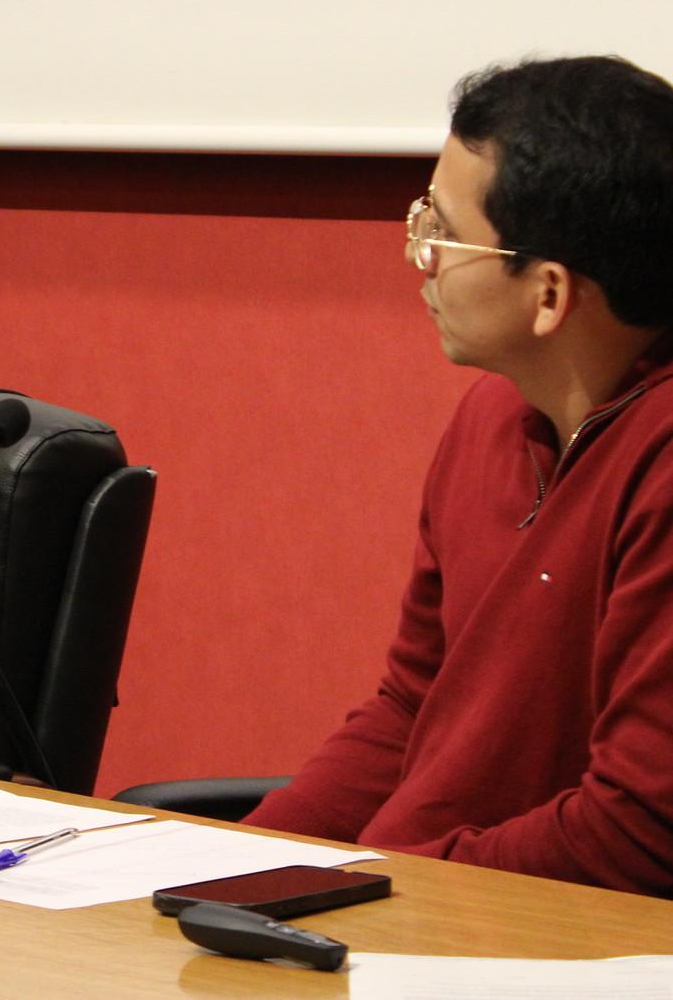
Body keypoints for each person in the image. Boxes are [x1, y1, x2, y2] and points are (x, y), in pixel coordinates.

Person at [246, 55, 673, 894]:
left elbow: (638, 833)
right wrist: (232, 864)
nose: (421, 258)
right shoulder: (490, 417)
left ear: (548, 293)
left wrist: (390, 887)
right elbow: (412, 706)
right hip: (434, 902)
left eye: (440, 231)